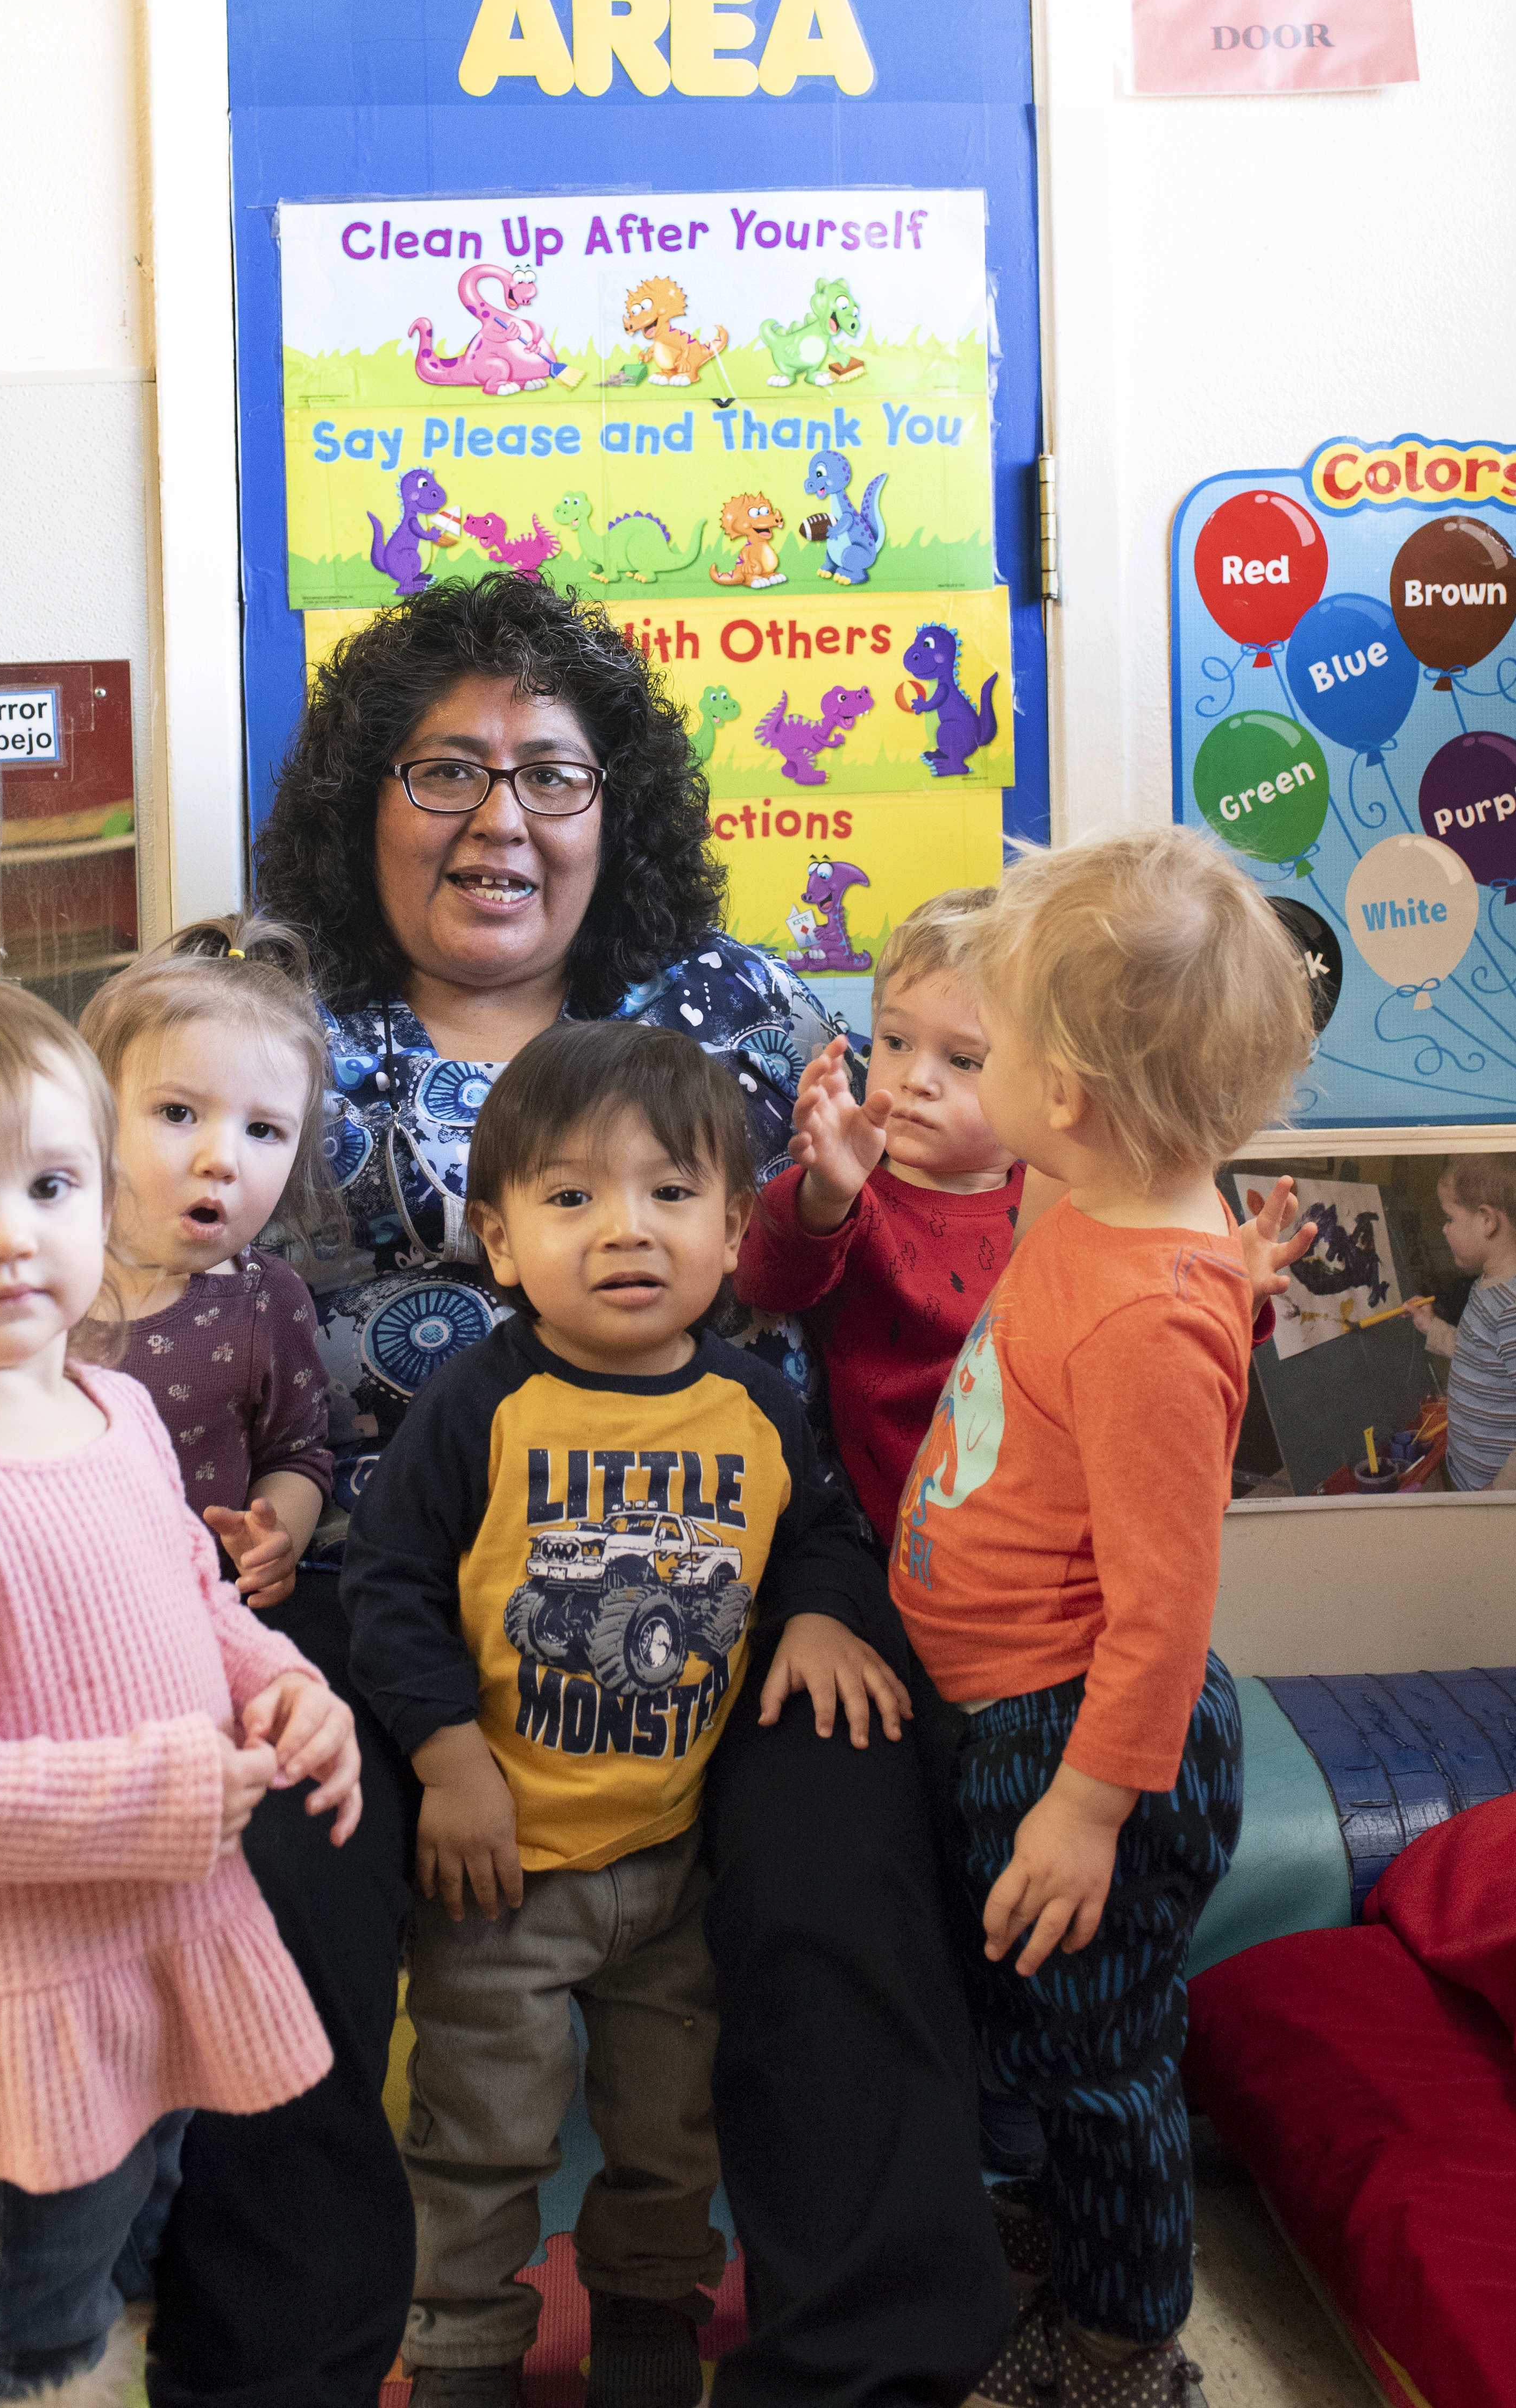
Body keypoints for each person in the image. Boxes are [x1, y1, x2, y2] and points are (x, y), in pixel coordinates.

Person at [150, 566, 1013, 2408]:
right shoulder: (256, 1010)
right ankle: (273, 2368)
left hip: (730, 1545)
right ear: (356, 800)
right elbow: (115, 1252)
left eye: (550, 771)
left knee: (839, 1837)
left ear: (612, 807)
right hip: (365, 1562)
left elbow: (905, 1267)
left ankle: (863, 2368)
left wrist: (845, 1582)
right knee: (286, 1865)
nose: (498, 817)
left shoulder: (735, 1006)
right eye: (441, 768)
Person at [0, 981, 362, 2408]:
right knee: (33, 2322)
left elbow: (193, 1598)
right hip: (7, 1998)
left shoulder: (117, 1407)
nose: (4, 1231)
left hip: (141, 1951)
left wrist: (285, 1687)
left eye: (48, 1182)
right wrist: (161, 1788)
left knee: (128, 2247)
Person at [344, 1025, 905, 2408]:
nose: (623, 1232)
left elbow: (822, 1538)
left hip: (671, 1868)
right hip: (498, 1870)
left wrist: (823, 1613)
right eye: (570, 1197)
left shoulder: (753, 1405)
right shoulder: (480, 1403)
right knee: (479, 2136)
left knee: (670, 2133)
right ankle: (463, 2343)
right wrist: (445, 1755)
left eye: (668, 1194)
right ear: (497, 1237)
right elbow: (391, 1584)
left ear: (731, 1232)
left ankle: (648, 2327)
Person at [889, 829, 1315, 2408]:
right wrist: (1232, 1282)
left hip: (1072, 1737)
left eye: (984, 1046)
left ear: (1060, 1096)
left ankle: (1127, 2341)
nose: (962, 1069)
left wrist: (1083, 1801)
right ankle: (1055, 2244)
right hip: (1011, 1711)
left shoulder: (1141, 1297)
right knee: (1033, 2028)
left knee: (1098, 2057)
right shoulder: (1120, 1207)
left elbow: (1163, 1604)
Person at [733, 887, 1043, 1549]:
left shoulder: (1058, 1198)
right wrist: (826, 1192)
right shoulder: (856, 1186)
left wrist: (1232, 1294)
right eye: (896, 1042)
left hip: (1029, 1534)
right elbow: (763, 1281)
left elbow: (1134, 1342)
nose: (913, 1078)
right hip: (885, 1537)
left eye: (963, 1061)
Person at [78, 919, 343, 1604]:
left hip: (190, 1636)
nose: (222, 1159)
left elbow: (297, 1453)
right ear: (91, 1116)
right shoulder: (23, 1278)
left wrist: (274, 1534)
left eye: (262, 1130)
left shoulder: (265, 1302)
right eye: (177, 1112)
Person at [1401, 1152, 1516, 1491]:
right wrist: (1432, 1327)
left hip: (1504, 1496)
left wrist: (1504, 1494)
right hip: (1476, 1478)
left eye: (1449, 1217)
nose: (1444, 1228)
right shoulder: (1489, 1286)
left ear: (1485, 1220)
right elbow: (1484, 1354)